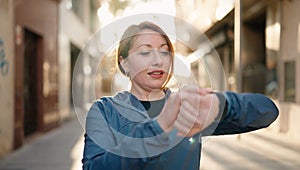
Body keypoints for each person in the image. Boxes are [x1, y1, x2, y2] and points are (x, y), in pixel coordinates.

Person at [82, 21, 279, 170]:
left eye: (165, 52)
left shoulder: (187, 105)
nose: (158, 60)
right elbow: (94, 167)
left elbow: (267, 111)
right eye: (145, 52)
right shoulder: (105, 111)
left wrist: (221, 103)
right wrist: (158, 128)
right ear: (124, 63)